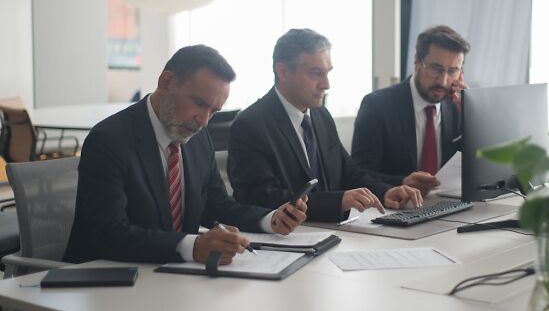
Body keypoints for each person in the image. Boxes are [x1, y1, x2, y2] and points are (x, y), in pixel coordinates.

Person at [64, 45, 307, 266]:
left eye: (213, 111)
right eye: (199, 103)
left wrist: (270, 219)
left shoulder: (198, 139)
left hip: (172, 277)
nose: (204, 121)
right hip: (109, 281)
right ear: (166, 81)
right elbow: (109, 234)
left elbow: (218, 206)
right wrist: (193, 246)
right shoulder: (109, 140)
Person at [227, 28, 422, 223]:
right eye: (316, 74)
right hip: (286, 239)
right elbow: (261, 197)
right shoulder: (250, 125)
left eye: (327, 73)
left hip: (332, 233)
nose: (326, 84)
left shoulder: (321, 115)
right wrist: (337, 201)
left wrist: (385, 192)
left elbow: (350, 173)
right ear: (283, 72)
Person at [352, 25, 470, 196]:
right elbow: (359, 174)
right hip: (396, 208)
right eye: (436, 69)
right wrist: (401, 182)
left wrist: (472, 114)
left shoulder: (458, 107)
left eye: (452, 71)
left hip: (446, 204)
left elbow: (477, 168)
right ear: (416, 62)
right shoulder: (377, 105)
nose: (443, 80)